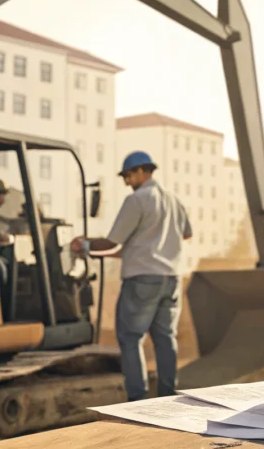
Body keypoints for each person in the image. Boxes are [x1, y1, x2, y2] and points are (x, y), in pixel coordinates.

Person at [70, 151, 192, 401]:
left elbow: (110, 241)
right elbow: (186, 235)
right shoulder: (173, 201)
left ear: (141, 172)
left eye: (128, 175)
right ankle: (169, 397)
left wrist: (82, 246)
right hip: (170, 278)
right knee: (165, 339)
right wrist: (146, 247)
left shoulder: (137, 200)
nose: (126, 181)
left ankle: (137, 400)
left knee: (130, 336)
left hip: (142, 280)